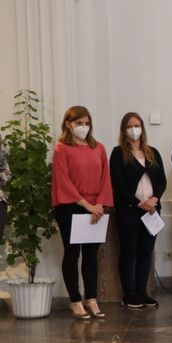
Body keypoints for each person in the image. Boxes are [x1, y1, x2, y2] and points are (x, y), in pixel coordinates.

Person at [52, 106, 113, 319]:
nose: (83, 127)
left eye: (86, 123)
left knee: (91, 254)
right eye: (79, 123)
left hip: (96, 207)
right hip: (71, 206)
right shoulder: (61, 148)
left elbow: (106, 178)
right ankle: (75, 300)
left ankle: (92, 298)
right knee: (72, 253)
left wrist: (100, 205)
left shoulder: (99, 148)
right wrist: (87, 205)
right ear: (68, 124)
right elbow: (63, 181)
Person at [109, 112, 166, 309]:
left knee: (146, 251)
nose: (134, 129)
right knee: (129, 251)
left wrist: (154, 199)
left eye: (137, 125)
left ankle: (142, 291)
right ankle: (129, 294)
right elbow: (118, 183)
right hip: (129, 210)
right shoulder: (118, 153)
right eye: (130, 126)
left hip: (151, 210)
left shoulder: (153, 152)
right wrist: (136, 202)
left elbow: (162, 181)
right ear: (124, 130)